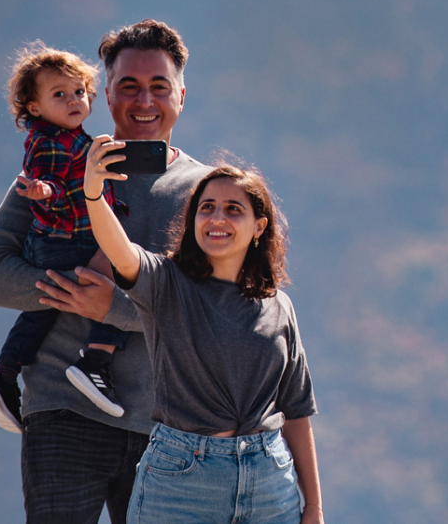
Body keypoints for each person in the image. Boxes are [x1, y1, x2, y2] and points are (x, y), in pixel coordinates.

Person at [0, 19, 207, 524]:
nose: (144, 100)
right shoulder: (57, 168)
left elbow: (214, 314)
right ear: (106, 95)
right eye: (128, 86)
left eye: (159, 87)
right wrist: (67, 288)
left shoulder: (212, 195)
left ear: (181, 96)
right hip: (62, 412)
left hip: (167, 430)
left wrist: (115, 309)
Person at [82, 142, 323, 524]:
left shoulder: (279, 306)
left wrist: (313, 507)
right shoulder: (165, 283)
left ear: (259, 226)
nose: (217, 218)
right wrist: (93, 194)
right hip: (182, 480)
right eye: (206, 208)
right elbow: (120, 250)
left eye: (233, 209)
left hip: (270, 482)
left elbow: (295, 411)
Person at [0, 45, 133, 432]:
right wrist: (45, 192)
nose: (73, 101)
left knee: (42, 309)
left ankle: (4, 375)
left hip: (55, 241)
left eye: (79, 92)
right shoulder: (50, 141)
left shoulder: (77, 138)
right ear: (33, 106)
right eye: (59, 95)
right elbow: (51, 182)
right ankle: (94, 361)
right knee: (117, 273)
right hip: (68, 239)